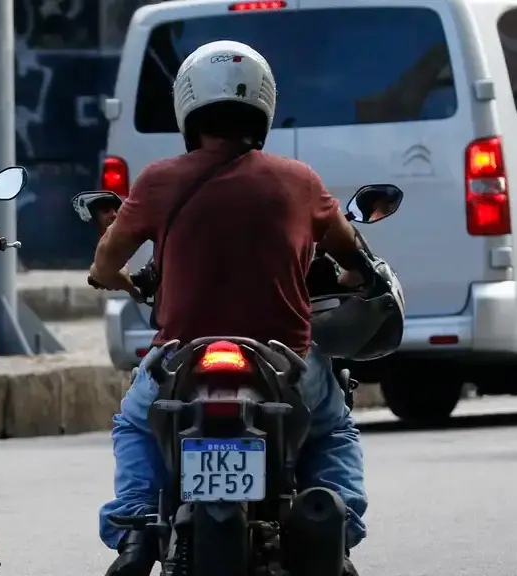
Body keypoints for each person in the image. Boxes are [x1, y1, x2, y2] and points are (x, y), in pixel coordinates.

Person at [87, 41, 367, 576]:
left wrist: (117, 281)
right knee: (332, 428)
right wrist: (355, 275)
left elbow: (105, 262)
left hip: (182, 360)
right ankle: (337, 527)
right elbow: (351, 253)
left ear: (187, 106)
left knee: (135, 424)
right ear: (263, 105)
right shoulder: (300, 181)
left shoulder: (157, 180)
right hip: (285, 363)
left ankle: (135, 527)